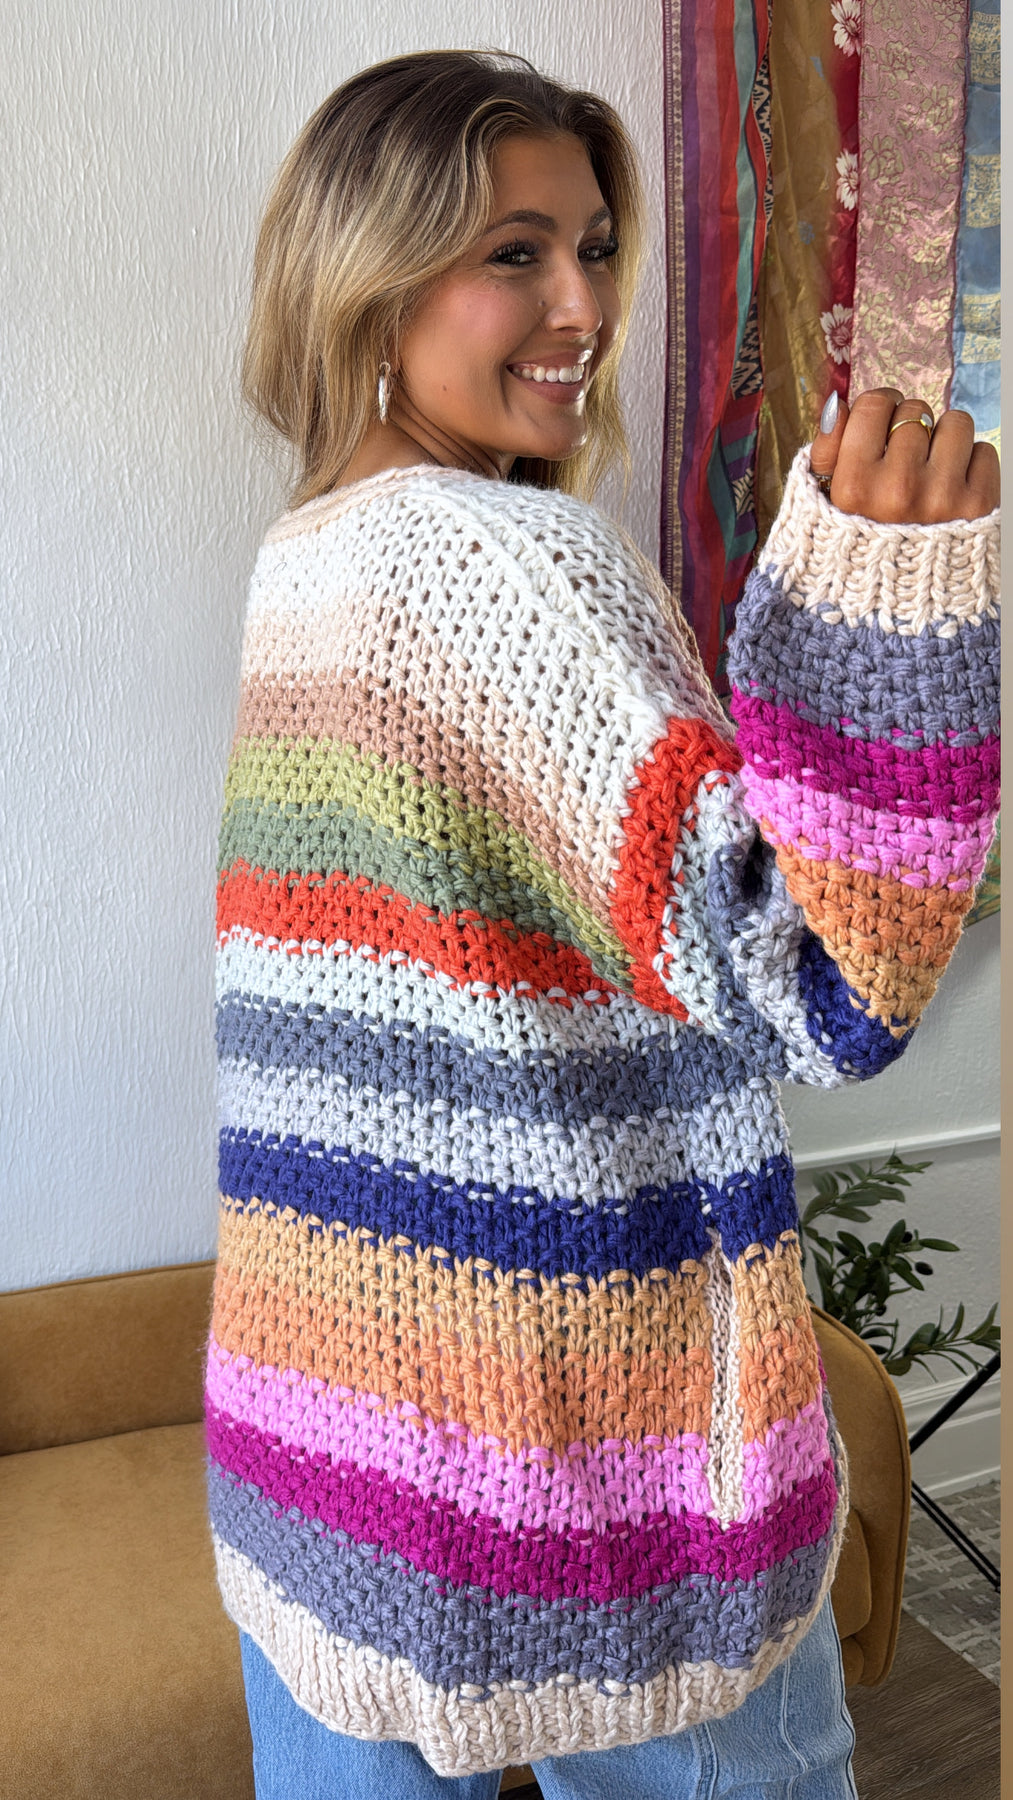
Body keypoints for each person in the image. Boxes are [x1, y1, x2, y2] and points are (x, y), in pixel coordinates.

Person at [205, 49, 1000, 1800]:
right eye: (513, 253)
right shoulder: (511, 564)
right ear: (372, 276)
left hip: (323, 1445)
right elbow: (818, 989)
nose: (581, 307)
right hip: (600, 1485)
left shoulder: (307, 558)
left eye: (592, 247)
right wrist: (888, 607)